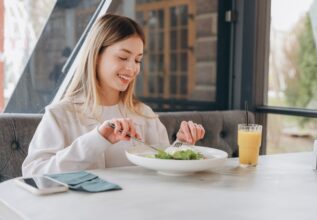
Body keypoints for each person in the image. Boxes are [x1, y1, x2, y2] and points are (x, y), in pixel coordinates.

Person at [22, 14, 205, 176]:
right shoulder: (60, 114)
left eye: (137, 60)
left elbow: (162, 167)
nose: (132, 68)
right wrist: (97, 139)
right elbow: (33, 173)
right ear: (96, 56)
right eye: (123, 57)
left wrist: (182, 144)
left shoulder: (144, 114)